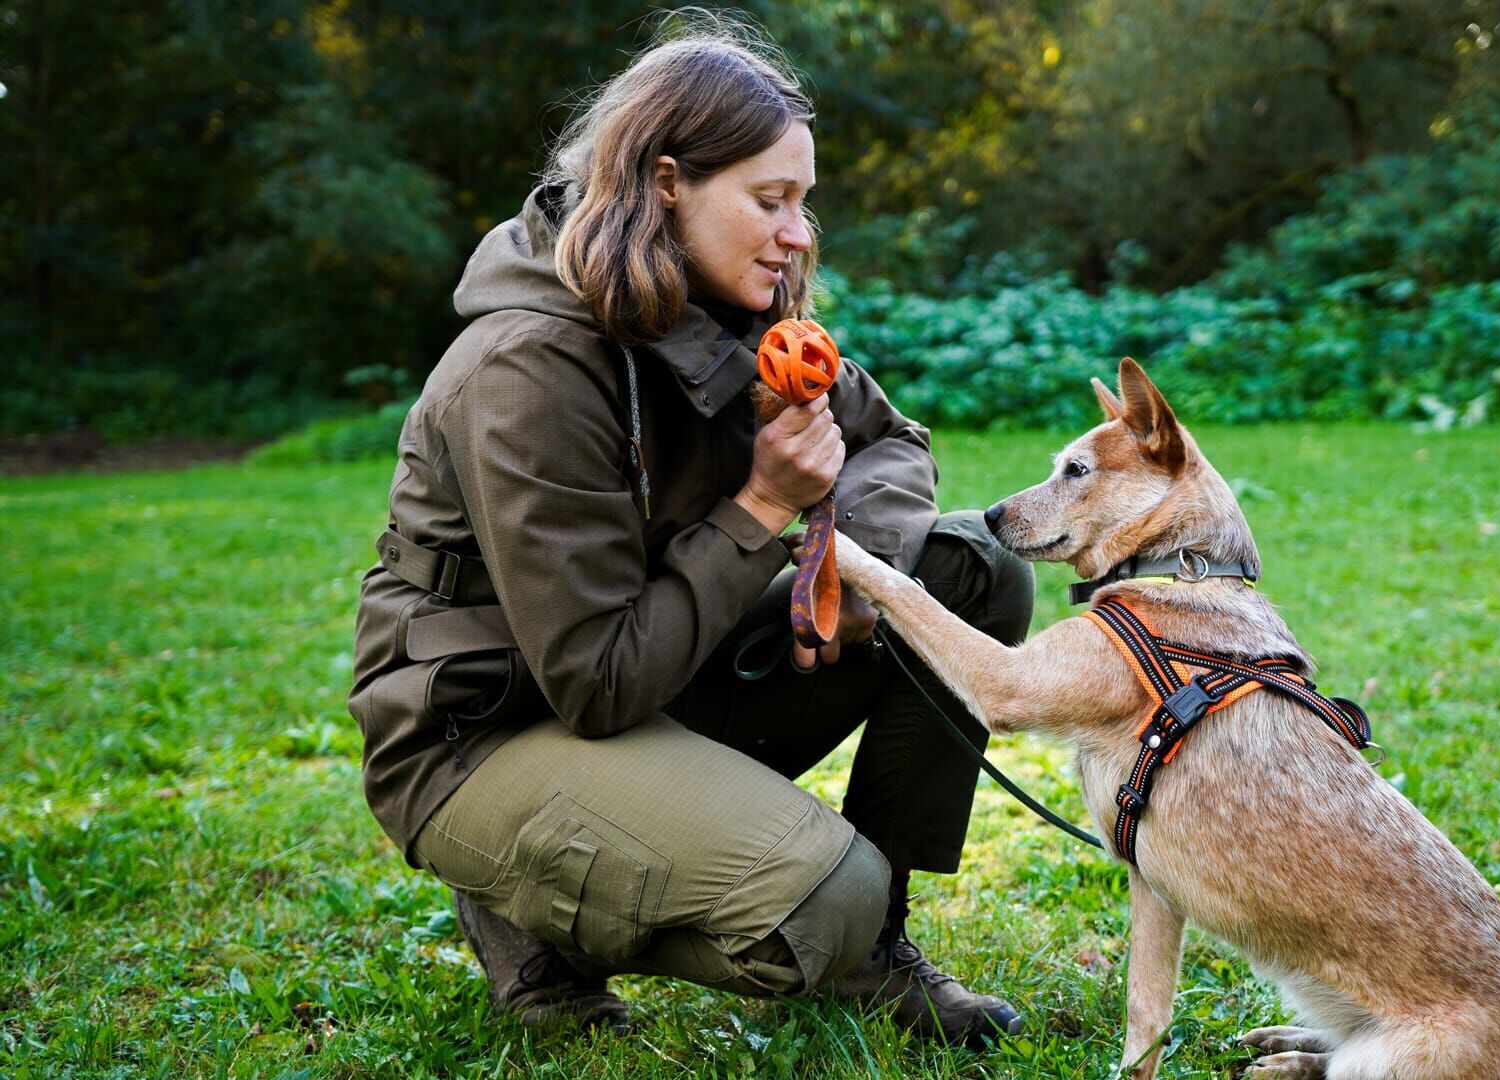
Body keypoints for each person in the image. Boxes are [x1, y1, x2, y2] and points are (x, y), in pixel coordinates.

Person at [346, 21, 1034, 1047]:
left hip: (663, 666)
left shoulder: (732, 311)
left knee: (971, 572)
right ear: (667, 184)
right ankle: (535, 920)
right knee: (824, 900)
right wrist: (762, 508)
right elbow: (595, 680)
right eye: (771, 200)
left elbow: (886, 441)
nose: (797, 234)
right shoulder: (526, 369)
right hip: (492, 728)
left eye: (803, 202)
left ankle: (874, 955)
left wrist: (850, 572)